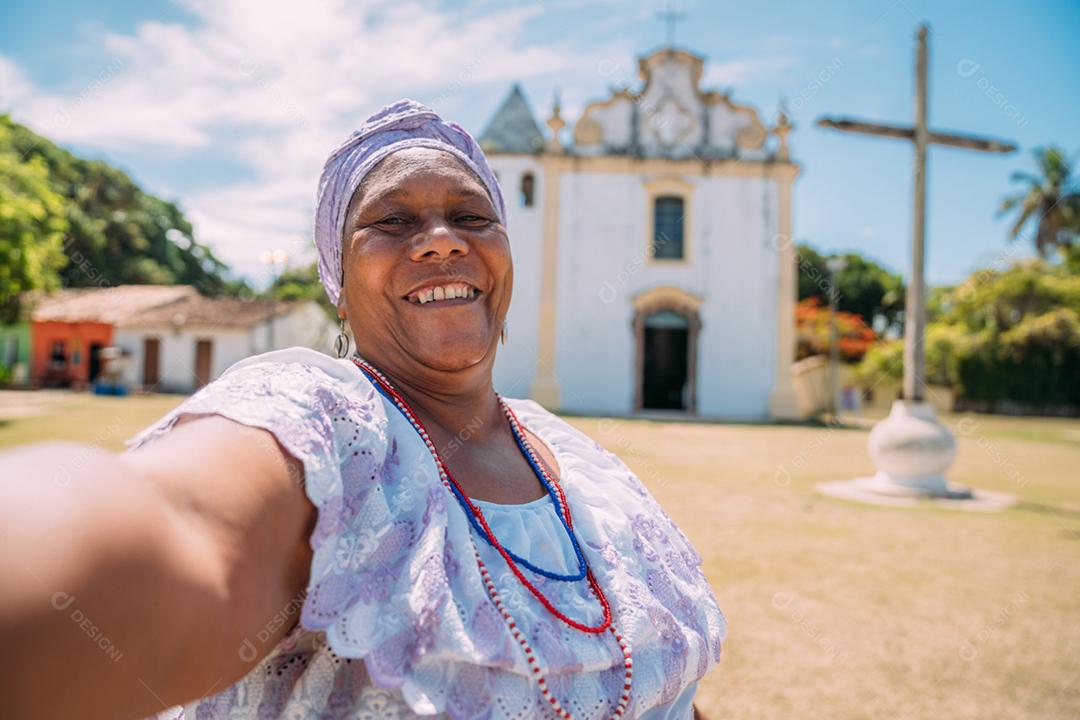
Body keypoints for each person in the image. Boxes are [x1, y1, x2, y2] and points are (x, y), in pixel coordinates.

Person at [0, 99, 726, 720]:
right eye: (393, 221)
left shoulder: (578, 460)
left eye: (472, 215)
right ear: (337, 280)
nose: (442, 239)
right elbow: (172, 526)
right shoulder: (323, 420)